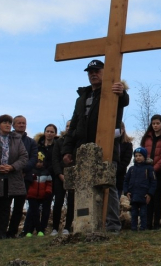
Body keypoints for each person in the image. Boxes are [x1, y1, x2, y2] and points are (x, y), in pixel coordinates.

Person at [62, 59, 129, 233]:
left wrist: (122, 92)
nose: (93, 74)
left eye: (97, 71)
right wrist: (67, 149)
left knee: (108, 185)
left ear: (105, 72)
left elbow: (123, 101)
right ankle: (84, 225)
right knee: (83, 186)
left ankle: (112, 225)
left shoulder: (111, 90)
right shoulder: (82, 97)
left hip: (105, 147)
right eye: (90, 72)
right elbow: (75, 124)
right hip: (83, 150)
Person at [6, 115, 37, 238]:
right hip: (8, 177)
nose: (22, 125)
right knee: (5, 205)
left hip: (24, 177)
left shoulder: (31, 142)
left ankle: (12, 232)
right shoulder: (6, 139)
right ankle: (2, 230)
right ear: (13, 125)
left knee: (19, 207)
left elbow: (32, 158)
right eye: (19, 123)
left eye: (24, 123)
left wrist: (21, 169)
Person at [140, 115, 161, 230]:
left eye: (157, 123)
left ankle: (156, 224)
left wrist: (154, 168)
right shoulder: (147, 137)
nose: (155, 125)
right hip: (148, 171)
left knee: (157, 196)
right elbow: (142, 153)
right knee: (148, 196)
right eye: (153, 123)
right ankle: (147, 223)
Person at [0, 114, 28, 240]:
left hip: (14, 176)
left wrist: (12, 167)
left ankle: (11, 233)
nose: (7, 125)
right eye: (4, 122)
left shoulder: (16, 139)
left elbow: (24, 157)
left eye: (9, 123)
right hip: (1, 177)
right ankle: (1, 233)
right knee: (3, 206)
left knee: (16, 205)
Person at [123, 147, 157, 231]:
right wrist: (126, 191)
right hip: (133, 195)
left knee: (143, 213)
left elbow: (153, 182)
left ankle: (143, 227)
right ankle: (133, 227)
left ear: (144, 157)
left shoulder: (149, 169)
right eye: (136, 155)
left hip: (144, 195)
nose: (138, 157)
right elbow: (126, 181)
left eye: (140, 155)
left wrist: (150, 193)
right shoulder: (131, 169)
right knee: (134, 212)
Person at [51, 120, 74, 236]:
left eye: (71, 126)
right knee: (58, 202)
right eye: (67, 126)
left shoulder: (77, 142)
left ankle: (68, 227)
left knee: (72, 202)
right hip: (60, 175)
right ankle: (55, 228)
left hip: (74, 176)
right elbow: (54, 159)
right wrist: (59, 174)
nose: (69, 128)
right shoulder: (59, 141)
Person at [24, 152, 53, 237]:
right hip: (31, 196)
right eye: (37, 162)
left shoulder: (46, 172)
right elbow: (27, 183)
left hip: (41, 196)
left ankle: (36, 230)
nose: (39, 164)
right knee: (34, 213)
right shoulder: (30, 172)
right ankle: (34, 230)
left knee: (38, 213)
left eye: (41, 162)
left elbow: (49, 183)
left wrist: (48, 191)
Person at [36, 124, 57, 235]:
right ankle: (32, 227)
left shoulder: (57, 146)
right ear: (44, 132)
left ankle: (42, 229)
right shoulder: (37, 146)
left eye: (52, 132)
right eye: (47, 131)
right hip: (38, 178)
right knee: (34, 205)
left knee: (47, 205)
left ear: (55, 134)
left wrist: (48, 170)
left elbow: (55, 161)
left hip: (51, 178)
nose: (49, 133)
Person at [116, 122, 134, 198]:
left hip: (119, 177)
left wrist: (115, 170)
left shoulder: (128, 144)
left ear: (123, 129)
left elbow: (126, 161)